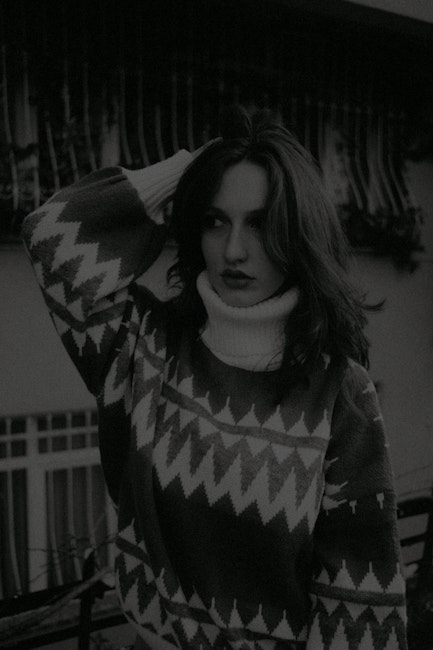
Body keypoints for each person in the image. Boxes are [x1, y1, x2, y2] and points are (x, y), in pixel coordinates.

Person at [22, 106, 407, 649]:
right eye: (215, 220)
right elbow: (51, 235)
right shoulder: (143, 347)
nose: (233, 251)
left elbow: (359, 602)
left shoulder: (340, 391)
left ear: (298, 233)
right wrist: (190, 167)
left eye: (261, 223)